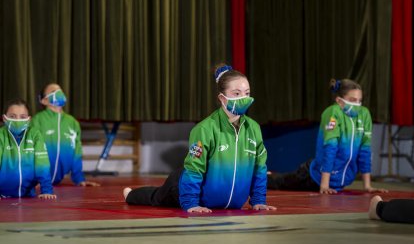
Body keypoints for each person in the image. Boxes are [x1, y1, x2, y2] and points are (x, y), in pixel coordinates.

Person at [123, 64, 276, 213]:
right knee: (158, 197)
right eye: (236, 93)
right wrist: (191, 203)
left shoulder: (254, 128)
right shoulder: (204, 129)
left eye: (247, 93)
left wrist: (259, 201)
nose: (244, 98)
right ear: (222, 98)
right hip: (183, 188)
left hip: (231, 204)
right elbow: (194, 168)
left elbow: (259, 168)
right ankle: (131, 194)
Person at [267, 78, 388, 194]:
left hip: (338, 182)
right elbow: (330, 149)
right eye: (352, 100)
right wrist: (324, 184)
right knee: (278, 182)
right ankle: (262, 176)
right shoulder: (332, 113)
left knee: (280, 180)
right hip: (314, 177)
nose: (357, 104)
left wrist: (367, 186)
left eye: (359, 100)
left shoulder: (364, 114)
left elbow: (365, 151)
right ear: (339, 101)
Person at [32, 83, 99, 187]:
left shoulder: (72, 122)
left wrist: (79, 180)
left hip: (57, 183)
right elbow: (30, 150)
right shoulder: (37, 120)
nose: (59, 93)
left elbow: (77, 152)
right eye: (53, 92)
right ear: (44, 100)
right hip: (37, 183)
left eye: (60, 90)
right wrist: (33, 180)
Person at [0, 99, 56, 199]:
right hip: (2, 197)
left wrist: (47, 190)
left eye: (22, 117)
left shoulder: (35, 135)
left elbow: (42, 163)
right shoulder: (1, 136)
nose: (17, 120)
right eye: (12, 116)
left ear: (29, 119)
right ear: (4, 118)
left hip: (29, 197)